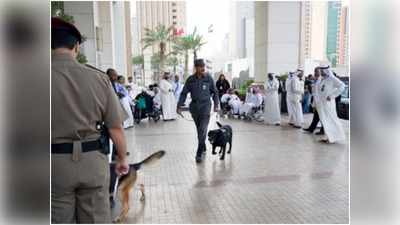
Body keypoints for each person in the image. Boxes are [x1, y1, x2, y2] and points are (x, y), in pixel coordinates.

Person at [51, 17, 129, 223]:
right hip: (92, 161)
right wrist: (122, 158)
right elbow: (116, 128)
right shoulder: (98, 78)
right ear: (76, 46)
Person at [177, 59, 219, 163]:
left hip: (205, 106)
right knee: (199, 129)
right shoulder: (190, 80)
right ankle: (203, 145)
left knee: (202, 129)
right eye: (200, 66)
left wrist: (216, 105)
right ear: (196, 67)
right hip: (194, 108)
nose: (203, 68)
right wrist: (179, 105)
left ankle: (199, 152)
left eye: (203, 66)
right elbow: (183, 93)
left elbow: (215, 92)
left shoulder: (208, 78)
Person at [317, 65, 346, 143]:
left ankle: (336, 136)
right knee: (325, 120)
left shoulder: (332, 79)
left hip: (328, 103)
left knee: (331, 120)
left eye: (322, 70)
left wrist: (332, 96)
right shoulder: (321, 79)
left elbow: (342, 86)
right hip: (321, 103)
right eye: (320, 70)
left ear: (326, 70)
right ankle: (328, 137)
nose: (321, 72)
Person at [303, 67, 325, 135]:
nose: (315, 73)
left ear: (320, 72)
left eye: (317, 71)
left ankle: (322, 130)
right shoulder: (316, 79)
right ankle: (311, 129)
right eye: (314, 71)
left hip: (321, 101)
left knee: (321, 117)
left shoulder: (322, 79)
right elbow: (314, 91)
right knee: (316, 116)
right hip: (316, 101)